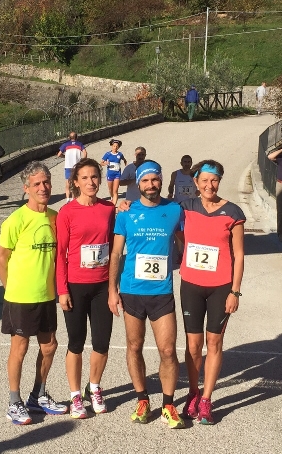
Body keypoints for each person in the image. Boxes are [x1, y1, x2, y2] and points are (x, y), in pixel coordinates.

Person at [108, 160, 186, 429]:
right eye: (145, 180)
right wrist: (112, 290)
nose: (150, 185)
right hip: (132, 291)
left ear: (161, 181)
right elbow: (116, 253)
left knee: (168, 350)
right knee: (134, 346)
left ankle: (168, 404)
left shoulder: (175, 210)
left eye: (154, 180)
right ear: (138, 184)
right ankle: (142, 399)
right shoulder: (126, 213)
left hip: (162, 292)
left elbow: (186, 243)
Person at [0, 161, 67, 425]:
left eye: (46, 182)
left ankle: (37, 395)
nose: (43, 188)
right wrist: (11, 289)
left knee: (49, 346)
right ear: (26, 188)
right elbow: (1, 259)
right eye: (36, 184)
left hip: (46, 296)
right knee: (20, 347)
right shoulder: (16, 220)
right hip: (20, 297)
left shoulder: (55, 217)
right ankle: (14, 401)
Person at [179, 160, 245, 425]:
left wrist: (235, 292)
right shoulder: (185, 207)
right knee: (193, 345)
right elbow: (157, 211)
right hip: (191, 285)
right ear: (195, 182)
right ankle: (193, 392)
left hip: (220, 287)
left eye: (214, 180)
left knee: (214, 342)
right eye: (204, 180)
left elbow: (239, 254)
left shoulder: (233, 212)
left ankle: (206, 399)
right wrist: (124, 204)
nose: (209, 185)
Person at [56, 158, 116, 419]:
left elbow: (114, 249)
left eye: (94, 177)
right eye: (85, 178)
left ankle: (95, 387)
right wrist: (62, 289)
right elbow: (60, 254)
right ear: (76, 182)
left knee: (102, 342)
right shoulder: (67, 212)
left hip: (102, 285)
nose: (91, 182)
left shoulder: (108, 209)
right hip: (76, 286)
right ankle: (75, 395)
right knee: (76, 342)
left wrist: (114, 287)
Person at [56, 131, 87, 202]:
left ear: (69, 137)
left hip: (68, 165)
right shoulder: (80, 144)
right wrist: (83, 161)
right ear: (76, 137)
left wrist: (64, 156)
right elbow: (85, 153)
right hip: (76, 166)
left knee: (68, 182)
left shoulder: (65, 144)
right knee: (74, 182)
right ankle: (73, 197)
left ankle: (67, 198)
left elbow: (59, 154)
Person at [100, 139, 126, 205]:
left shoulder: (120, 154)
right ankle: (112, 196)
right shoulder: (107, 154)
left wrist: (126, 166)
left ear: (118, 147)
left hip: (117, 174)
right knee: (110, 189)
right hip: (110, 174)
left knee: (115, 190)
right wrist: (105, 163)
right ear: (111, 146)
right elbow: (101, 163)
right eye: (114, 146)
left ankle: (114, 205)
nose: (115, 147)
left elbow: (124, 160)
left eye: (117, 146)